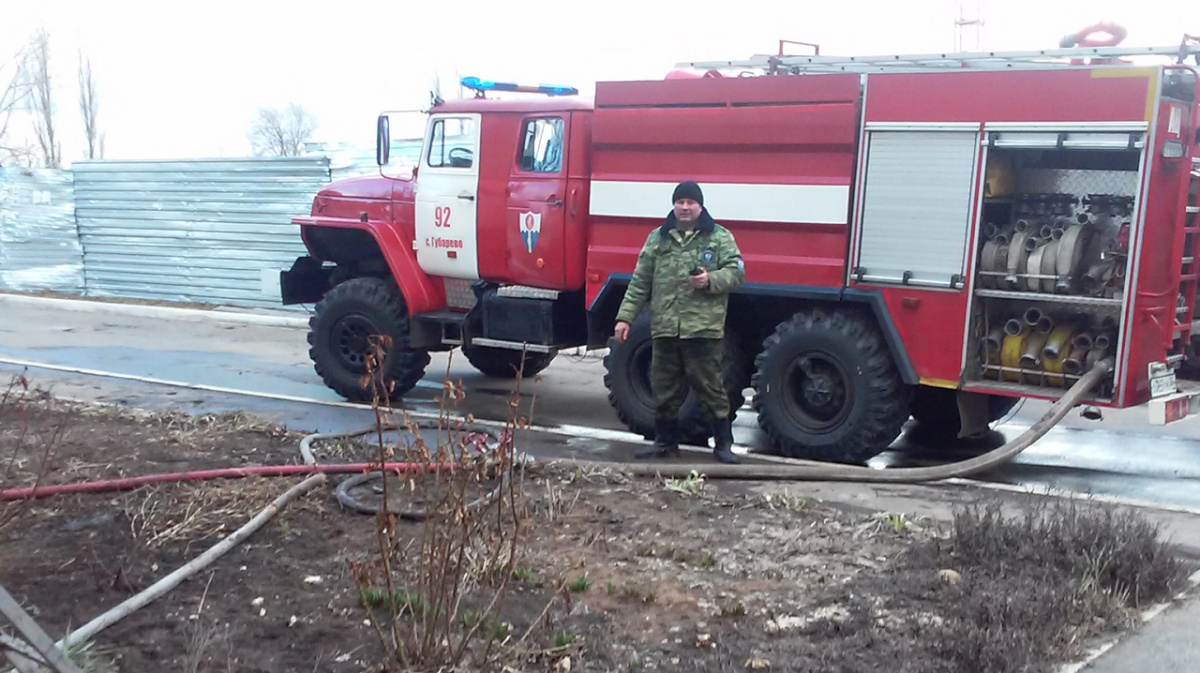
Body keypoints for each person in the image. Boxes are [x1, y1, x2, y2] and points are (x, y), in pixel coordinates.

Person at [613, 181, 745, 463]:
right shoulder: (658, 239)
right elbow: (640, 282)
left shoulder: (719, 237)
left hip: (702, 329)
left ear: (700, 205)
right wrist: (625, 318)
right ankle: (665, 443)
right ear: (674, 205)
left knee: (710, 387)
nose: (685, 207)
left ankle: (723, 444)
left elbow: (736, 272)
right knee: (663, 387)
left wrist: (710, 280)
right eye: (680, 202)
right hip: (665, 327)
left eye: (691, 202)